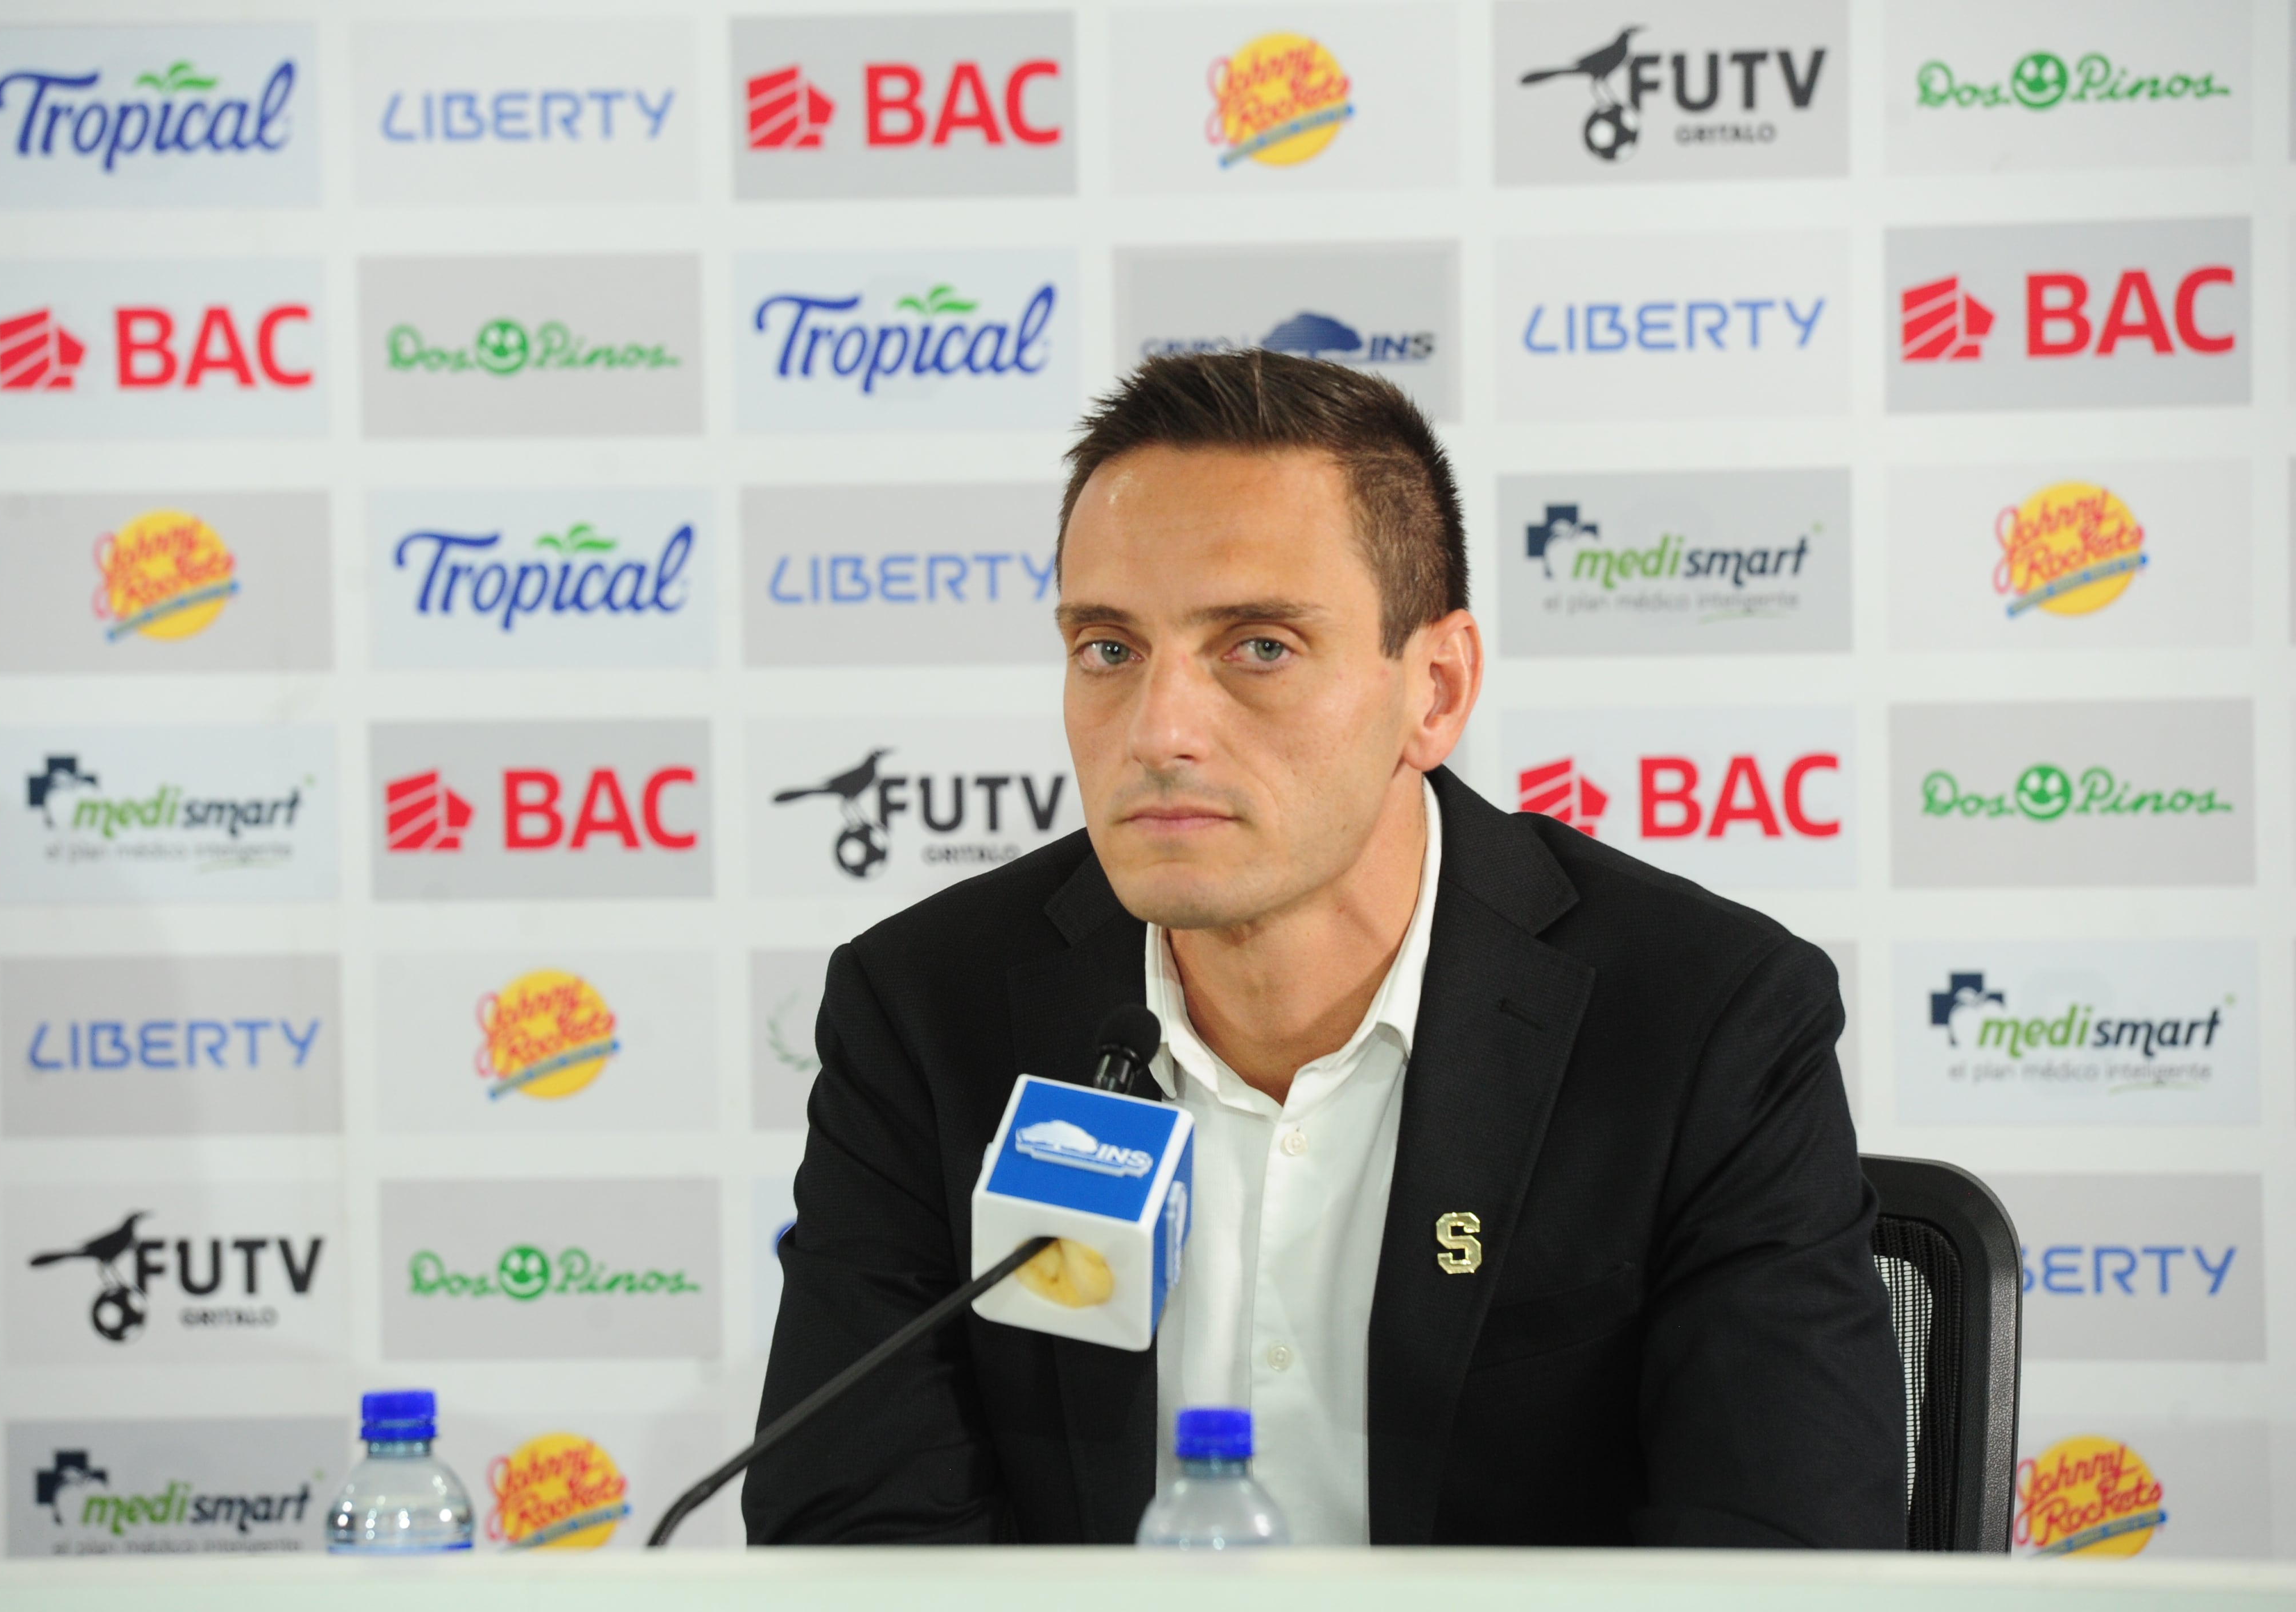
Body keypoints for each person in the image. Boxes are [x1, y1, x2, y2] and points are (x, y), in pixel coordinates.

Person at [746, 351, 1906, 1548]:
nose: (1160, 730)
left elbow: (1783, 1553)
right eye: (1108, 648)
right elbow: (855, 1533)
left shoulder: (1701, 1020)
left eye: (1259, 647)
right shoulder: (925, 1011)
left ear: (1436, 690)